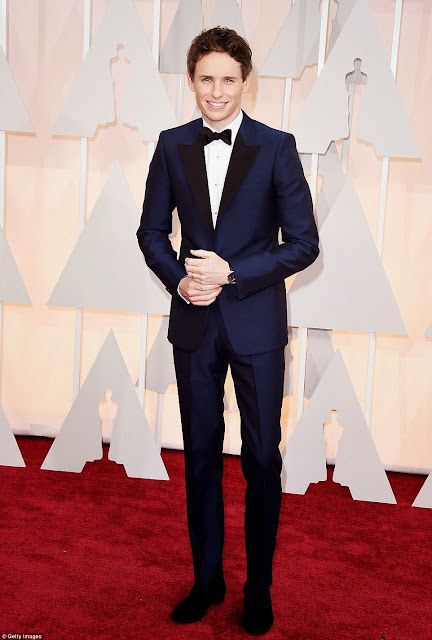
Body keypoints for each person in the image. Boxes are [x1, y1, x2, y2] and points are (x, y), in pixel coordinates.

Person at [137, 27, 319, 634]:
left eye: (228, 80)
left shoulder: (277, 147)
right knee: (200, 459)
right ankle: (207, 581)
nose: (216, 92)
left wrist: (233, 272)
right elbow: (150, 232)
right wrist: (179, 281)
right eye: (206, 79)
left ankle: (258, 589)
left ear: (245, 82)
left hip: (257, 327)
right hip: (194, 326)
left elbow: (304, 244)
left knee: (262, 460)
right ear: (192, 81)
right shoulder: (171, 145)